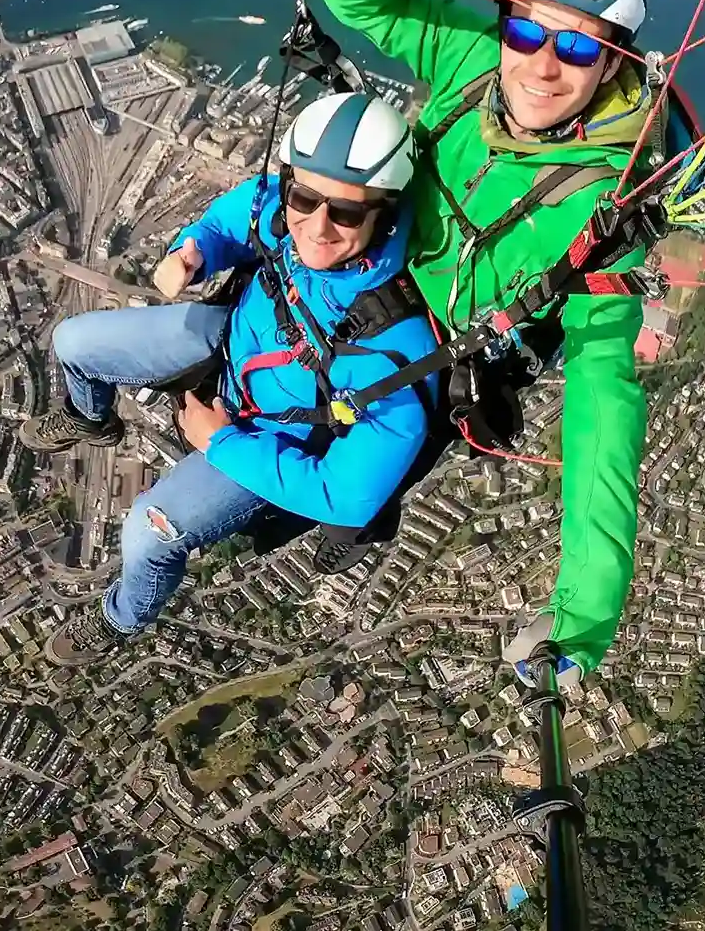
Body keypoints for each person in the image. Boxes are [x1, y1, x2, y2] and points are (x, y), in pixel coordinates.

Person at [315, 0, 670, 675]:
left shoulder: (604, 208)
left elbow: (602, 408)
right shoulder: (471, 56)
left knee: (328, 504)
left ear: (613, 63)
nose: (543, 66)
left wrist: (584, 612)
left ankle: (351, 520)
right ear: (502, 22)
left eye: (578, 46)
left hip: (442, 358)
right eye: (526, 32)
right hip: (368, 284)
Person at [31, 91, 442, 665]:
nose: (317, 227)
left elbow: (346, 496)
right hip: (229, 346)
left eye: (347, 213)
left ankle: (122, 616)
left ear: (386, 214)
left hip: (273, 436)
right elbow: (235, 215)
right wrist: (193, 252)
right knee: (73, 343)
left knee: (147, 534)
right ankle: (89, 418)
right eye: (305, 199)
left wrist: (219, 442)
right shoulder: (283, 212)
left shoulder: (395, 352)